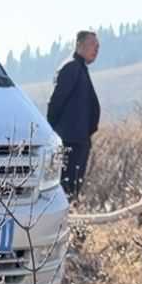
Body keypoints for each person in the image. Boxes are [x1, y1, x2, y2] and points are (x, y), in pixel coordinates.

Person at [47, 31, 102, 201]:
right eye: (93, 44)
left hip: (79, 140)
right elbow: (56, 102)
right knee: (66, 189)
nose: (96, 49)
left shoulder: (80, 68)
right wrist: (52, 133)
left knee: (73, 188)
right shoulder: (71, 67)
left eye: (98, 46)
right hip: (69, 141)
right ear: (79, 45)